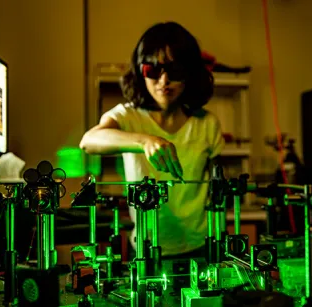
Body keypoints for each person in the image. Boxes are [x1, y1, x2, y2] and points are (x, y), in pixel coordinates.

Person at [80, 21, 225, 259]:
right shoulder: (128, 116)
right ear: (140, 71)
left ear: (189, 73)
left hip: (201, 245)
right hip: (147, 248)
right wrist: (144, 141)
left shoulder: (207, 123)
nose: (164, 80)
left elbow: (218, 190)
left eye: (175, 71)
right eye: (153, 70)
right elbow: (89, 140)